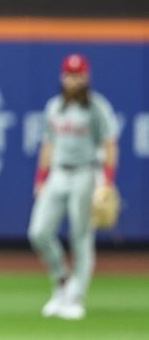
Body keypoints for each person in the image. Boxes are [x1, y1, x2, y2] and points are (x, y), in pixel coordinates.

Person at [28, 53, 119, 320]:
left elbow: (110, 145)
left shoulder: (97, 107)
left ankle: (76, 297)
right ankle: (62, 284)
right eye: (70, 75)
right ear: (62, 77)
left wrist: (107, 182)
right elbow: (48, 145)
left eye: (78, 75)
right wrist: (40, 179)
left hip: (86, 173)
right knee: (39, 232)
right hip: (58, 173)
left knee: (81, 236)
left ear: (86, 77)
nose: (74, 80)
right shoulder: (54, 107)